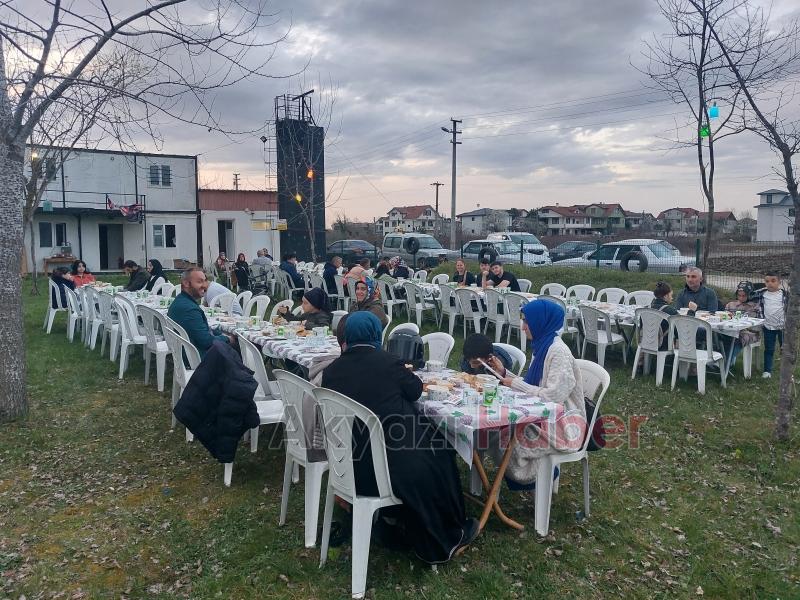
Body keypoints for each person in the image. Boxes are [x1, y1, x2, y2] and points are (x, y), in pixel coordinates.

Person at [321, 312, 479, 564]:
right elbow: (415, 390)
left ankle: (393, 518)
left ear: (347, 336)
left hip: (350, 466)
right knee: (439, 454)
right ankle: (446, 532)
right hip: (384, 471)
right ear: (376, 334)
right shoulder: (388, 363)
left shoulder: (331, 371)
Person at [496, 299, 586, 487]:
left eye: (527, 322)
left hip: (563, 426)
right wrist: (504, 373)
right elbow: (532, 384)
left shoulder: (558, 352)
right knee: (493, 430)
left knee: (506, 440)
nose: (523, 327)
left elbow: (552, 397)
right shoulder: (542, 345)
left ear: (541, 322)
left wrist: (515, 384)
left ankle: (540, 477)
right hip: (543, 416)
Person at [167, 268, 232, 357]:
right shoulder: (189, 309)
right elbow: (206, 341)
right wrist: (227, 339)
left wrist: (221, 334)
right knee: (240, 349)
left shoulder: (181, 300)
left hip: (185, 352)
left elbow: (202, 330)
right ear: (186, 283)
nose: (205, 285)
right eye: (199, 282)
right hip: (198, 358)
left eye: (205, 281)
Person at [755, 271, 787, 378]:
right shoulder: (762, 294)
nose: (770, 283)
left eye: (773, 281)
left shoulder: (784, 295)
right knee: (769, 349)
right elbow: (749, 293)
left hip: (783, 327)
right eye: (767, 281)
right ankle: (767, 371)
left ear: (779, 282)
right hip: (768, 326)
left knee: (786, 349)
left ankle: (786, 371)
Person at [724, 283, 761, 369]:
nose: (741, 298)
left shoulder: (754, 307)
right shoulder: (730, 305)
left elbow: (751, 324)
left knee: (739, 338)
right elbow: (724, 317)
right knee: (719, 336)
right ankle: (720, 359)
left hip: (750, 333)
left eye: (744, 296)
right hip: (731, 330)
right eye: (739, 295)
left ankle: (727, 363)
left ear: (750, 295)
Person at [650, 281, 679, 350]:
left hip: (647, 341)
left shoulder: (648, 308)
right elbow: (682, 327)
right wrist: (691, 312)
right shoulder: (670, 311)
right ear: (666, 296)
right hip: (663, 345)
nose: (672, 298)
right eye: (671, 295)